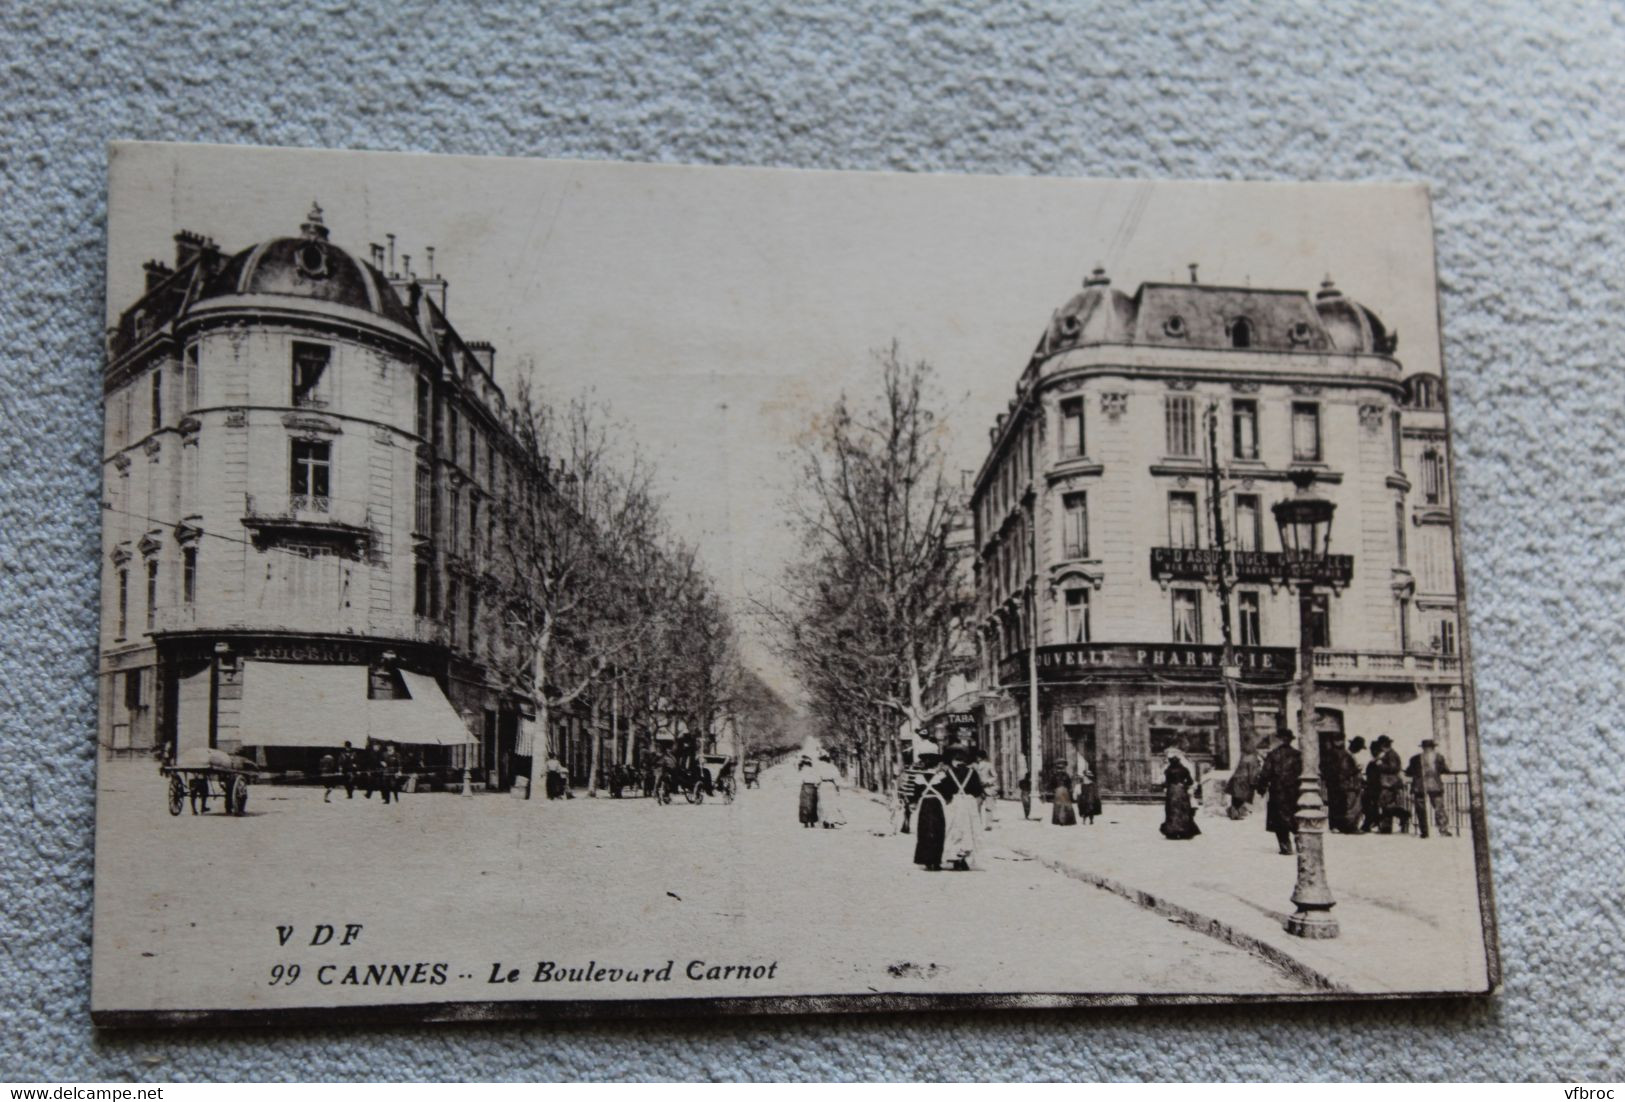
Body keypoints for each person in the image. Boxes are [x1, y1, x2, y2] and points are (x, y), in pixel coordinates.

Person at [1255, 729, 1302, 855]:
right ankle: (1300, 843)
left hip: (1278, 791)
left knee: (1280, 820)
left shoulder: (1273, 755)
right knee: (1295, 817)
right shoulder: (1298, 755)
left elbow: (1265, 774)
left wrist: (1261, 788)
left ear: (1280, 739)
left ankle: (1285, 847)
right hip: (1294, 791)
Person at [939, 748, 985, 870]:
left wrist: (949, 798)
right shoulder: (972, 772)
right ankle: (964, 858)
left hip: (955, 802)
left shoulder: (949, 773)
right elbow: (978, 790)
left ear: (954, 761)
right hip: (969, 803)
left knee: (953, 828)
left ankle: (955, 857)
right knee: (969, 830)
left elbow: (944, 789)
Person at [1406, 739, 1453, 838]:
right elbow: (1445, 770)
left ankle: (1424, 832)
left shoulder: (1415, 759)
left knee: (1421, 810)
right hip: (1435, 785)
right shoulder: (1439, 757)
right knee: (1439, 808)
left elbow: (1409, 772)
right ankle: (1443, 830)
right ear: (1433, 748)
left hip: (1419, 786)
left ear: (1423, 748)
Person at [1321, 733, 1363, 833]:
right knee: (1346, 806)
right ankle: (1348, 827)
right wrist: (1356, 770)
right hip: (1345, 784)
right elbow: (1345, 771)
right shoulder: (1343, 755)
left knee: (1339, 805)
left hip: (1338, 783)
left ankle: (1339, 826)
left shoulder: (1339, 753)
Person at [912, 761, 950, 869]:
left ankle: (927, 861)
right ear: (936, 765)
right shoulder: (941, 777)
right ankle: (936, 861)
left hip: (925, 805)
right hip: (936, 805)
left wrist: (914, 803)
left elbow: (916, 794)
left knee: (925, 831)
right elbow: (947, 793)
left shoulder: (919, 777)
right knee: (938, 831)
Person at [1158, 750, 1201, 840]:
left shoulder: (1168, 770)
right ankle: (1184, 831)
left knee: (1171, 811)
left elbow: (1166, 782)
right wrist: (1183, 784)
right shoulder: (1184, 769)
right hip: (1182, 792)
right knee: (1183, 810)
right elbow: (1190, 781)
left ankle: (1172, 831)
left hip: (1171, 792)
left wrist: (1166, 785)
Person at [1372, 736, 1411, 834]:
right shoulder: (1389, 754)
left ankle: (1403, 815)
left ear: (1383, 745)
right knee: (1386, 804)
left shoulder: (1391, 754)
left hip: (1390, 783)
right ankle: (1387, 827)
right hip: (1388, 783)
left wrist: (1380, 764)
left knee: (1387, 804)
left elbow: (1393, 768)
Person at [1227, 738, 1266, 820]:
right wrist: (1254, 783)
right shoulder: (1253, 758)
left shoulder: (1248, 756)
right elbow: (1253, 772)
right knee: (1239, 798)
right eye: (1263, 751)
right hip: (1243, 781)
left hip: (1238, 780)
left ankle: (1235, 813)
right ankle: (1234, 814)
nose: (1264, 753)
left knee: (1237, 798)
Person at [973, 750, 999, 830]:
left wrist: (987, 781)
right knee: (977, 807)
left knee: (988, 807)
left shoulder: (989, 765)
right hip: (978, 788)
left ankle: (988, 825)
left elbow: (995, 776)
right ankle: (977, 823)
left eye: (978, 757)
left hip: (988, 788)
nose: (977, 758)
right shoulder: (974, 766)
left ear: (980, 757)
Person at [816, 753, 844, 828]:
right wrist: (838, 789)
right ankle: (832, 821)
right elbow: (837, 779)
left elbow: (817, 779)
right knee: (832, 803)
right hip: (831, 785)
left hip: (823, 785)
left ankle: (826, 821)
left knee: (824, 804)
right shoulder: (833, 767)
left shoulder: (819, 767)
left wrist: (817, 785)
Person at [1073, 759, 1101, 825]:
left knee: (1091, 809)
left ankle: (1091, 820)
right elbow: (1079, 791)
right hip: (1084, 799)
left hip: (1091, 799)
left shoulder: (1093, 785)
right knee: (1084, 809)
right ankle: (1084, 820)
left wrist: (1096, 798)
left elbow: (1095, 792)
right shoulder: (1082, 784)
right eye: (1085, 776)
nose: (1085, 778)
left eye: (1087, 777)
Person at [1049, 762, 1077, 826]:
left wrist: (1054, 790)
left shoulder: (1054, 775)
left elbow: (1051, 785)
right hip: (1065, 791)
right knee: (1065, 805)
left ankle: (1059, 820)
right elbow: (1069, 784)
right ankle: (1066, 820)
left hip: (1058, 791)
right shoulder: (1066, 775)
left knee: (1058, 805)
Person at [797, 755, 819, 827]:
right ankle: (812, 822)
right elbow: (817, 780)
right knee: (813, 804)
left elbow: (800, 781)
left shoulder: (802, 771)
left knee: (805, 805)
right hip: (812, 787)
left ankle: (806, 822)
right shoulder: (814, 770)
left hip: (805, 786)